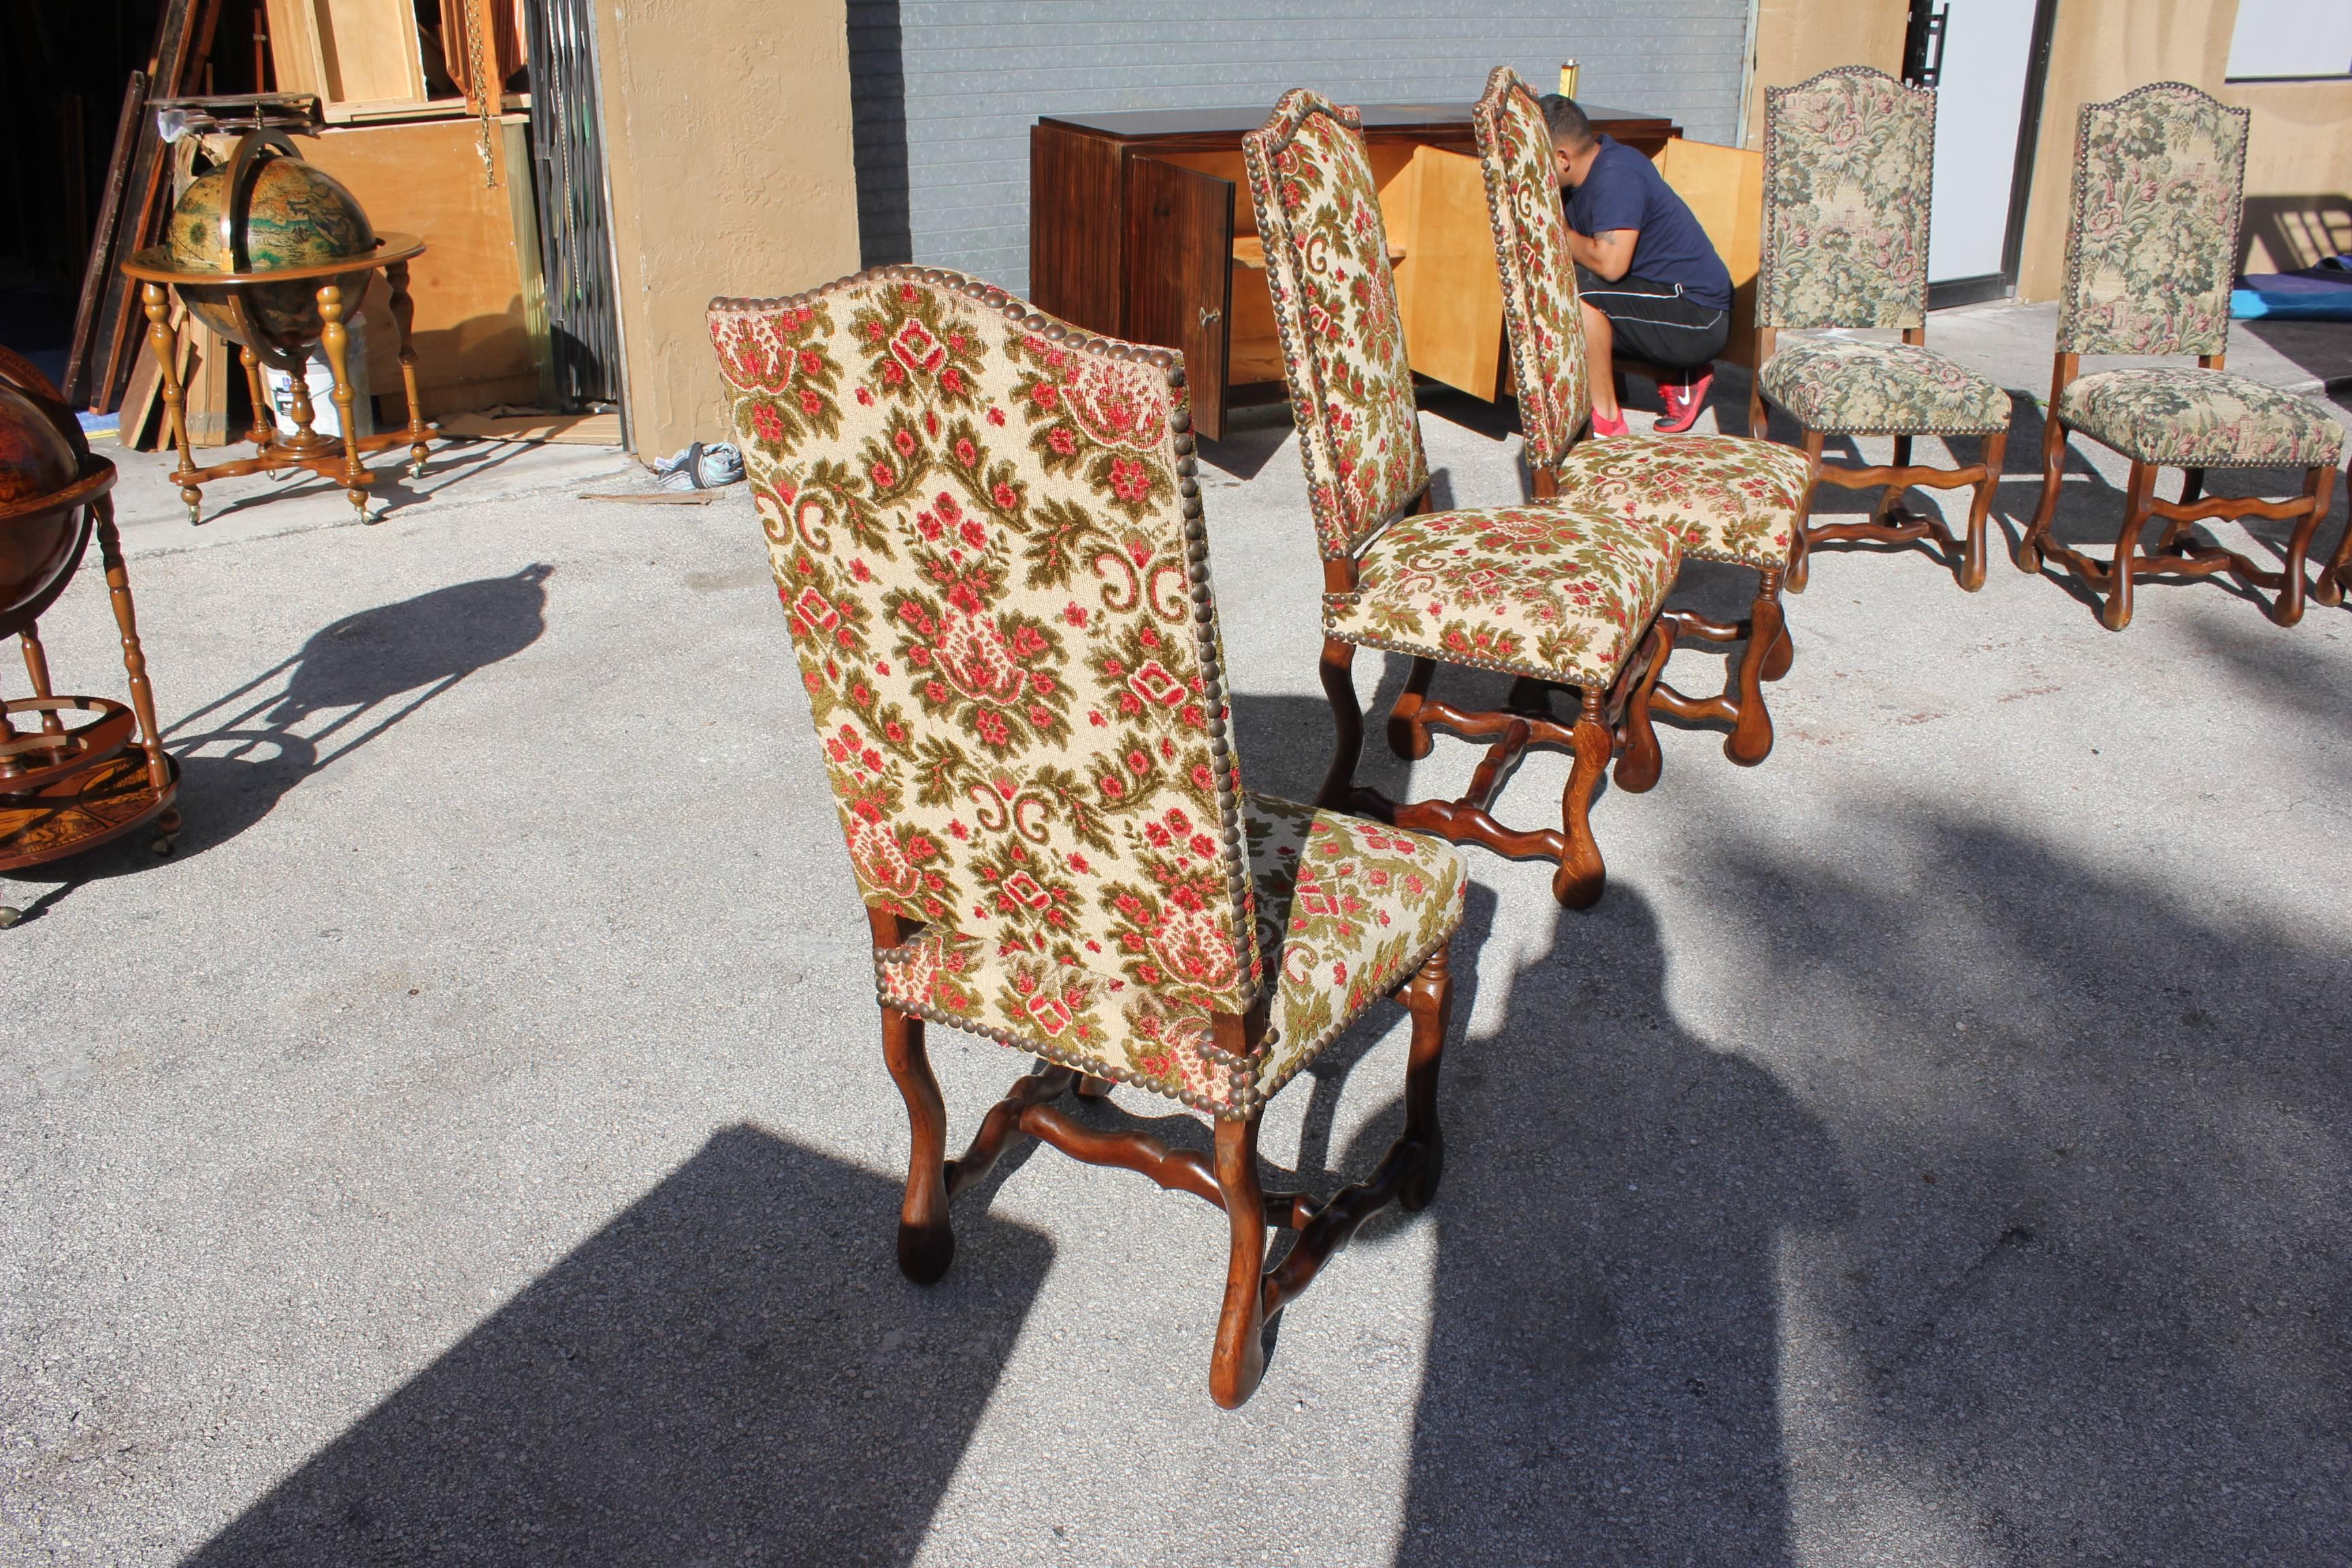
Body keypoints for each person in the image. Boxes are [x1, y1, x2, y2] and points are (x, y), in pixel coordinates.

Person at [1542, 94, 1733, 436]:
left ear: (1562, 157)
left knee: (1582, 291)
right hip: (1659, 299)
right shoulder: (1583, 176)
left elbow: (1611, 265)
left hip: (1698, 316)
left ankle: (1607, 420)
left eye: (1537, 162)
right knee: (1565, 281)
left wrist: (1558, 231)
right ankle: (1682, 375)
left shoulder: (1617, 177)